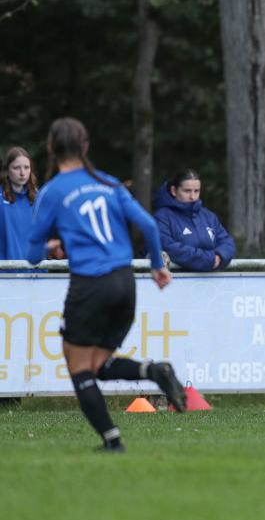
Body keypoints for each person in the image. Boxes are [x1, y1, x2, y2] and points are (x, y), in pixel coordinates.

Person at [27, 117, 187, 452]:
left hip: (90, 285)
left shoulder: (52, 191)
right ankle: (154, 371)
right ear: (85, 146)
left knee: (79, 368)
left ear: (51, 148)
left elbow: (31, 256)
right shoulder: (109, 183)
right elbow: (149, 226)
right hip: (124, 283)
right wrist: (157, 266)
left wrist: (49, 248)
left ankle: (112, 441)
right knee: (98, 366)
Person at [153, 169, 235, 271]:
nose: (193, 197)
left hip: (211, 280)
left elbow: (227, 242)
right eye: (187, 191)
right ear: (174, 191)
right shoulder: (161, 217)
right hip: (175, 279)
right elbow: (168, 247)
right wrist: (209, 260)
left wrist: (220, 256)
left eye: (196, 191)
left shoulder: (209, 216)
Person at [0, 147, 40, 260]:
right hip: (6, 269)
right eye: (16, 168)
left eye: (26, 167)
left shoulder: (38, 198)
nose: (22, 173)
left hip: (35, 268)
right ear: (7, 170)